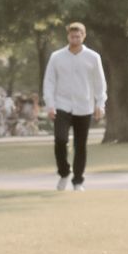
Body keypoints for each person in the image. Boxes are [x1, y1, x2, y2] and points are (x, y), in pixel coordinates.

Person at [43, 22, 107, 191]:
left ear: (83, 36)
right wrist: (50, 104)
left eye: (78, 36)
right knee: (60, 140)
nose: (75, 39)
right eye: (72, 36)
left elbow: (100, 83)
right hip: (61, 105)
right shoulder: (57, 57)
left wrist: (100, 104)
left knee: (80, 145)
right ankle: (64, 172)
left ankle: (78, 181)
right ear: (68, 37)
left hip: (84, 106)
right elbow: (49, 81)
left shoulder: (93, 57)